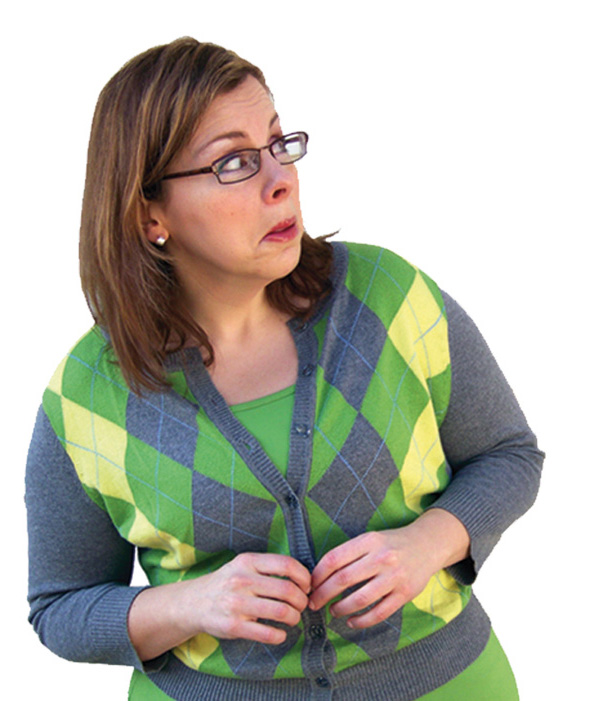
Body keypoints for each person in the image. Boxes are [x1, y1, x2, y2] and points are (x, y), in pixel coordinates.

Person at [25, 37, 544, 700]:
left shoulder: (388, 299)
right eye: (235, 162)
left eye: (278, 144)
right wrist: (189, 604)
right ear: (149, 214)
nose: (282, 180)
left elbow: (508, 454)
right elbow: (60, 607)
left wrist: (428, 541)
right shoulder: (88, 393)